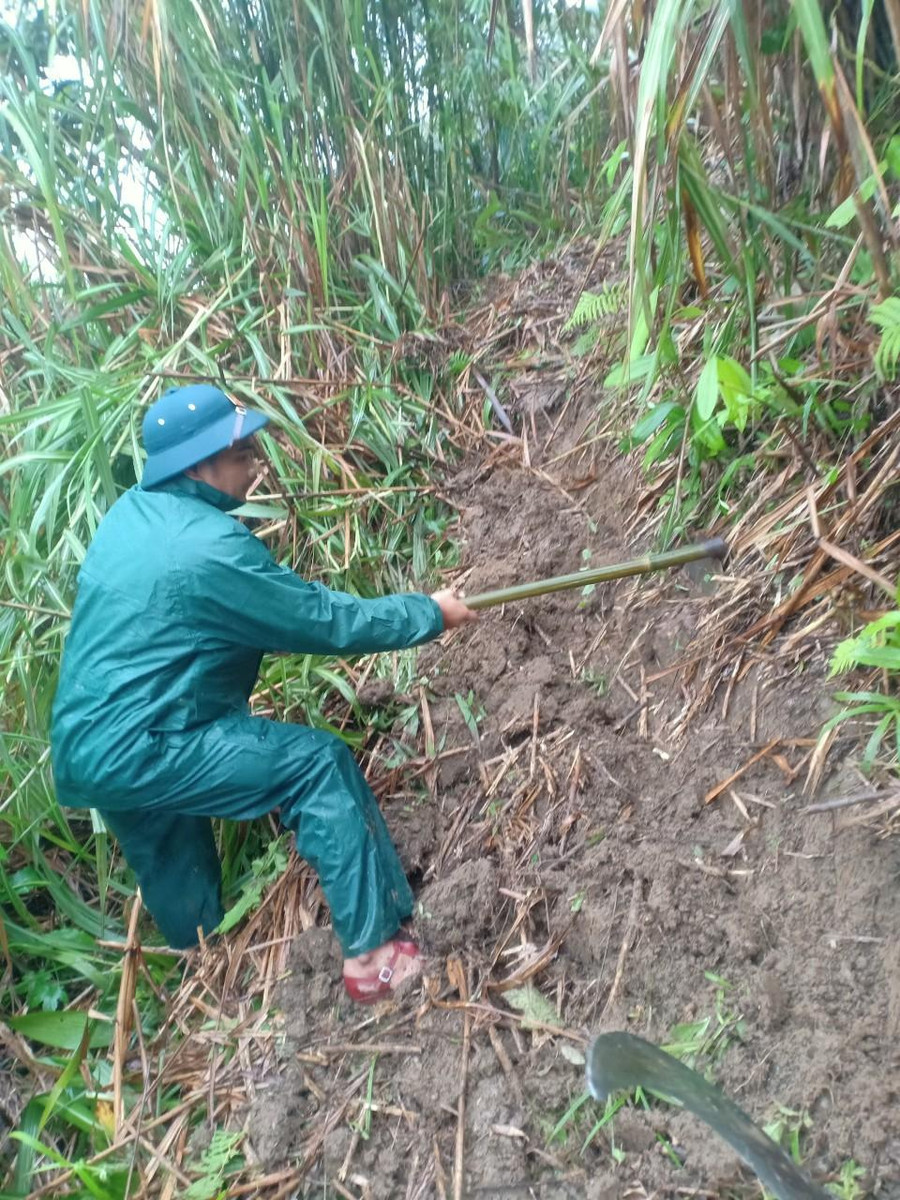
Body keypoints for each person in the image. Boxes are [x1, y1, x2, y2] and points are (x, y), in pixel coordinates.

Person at [51, 384, 475, 1002]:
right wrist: (428, 613)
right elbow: (324, 622)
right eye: (244, 453)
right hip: (151, 740)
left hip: (87, 753)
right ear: (198, 465)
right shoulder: (208, 549)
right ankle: (375, 961)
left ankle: (200, 976)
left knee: (169, 842)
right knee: (317, 765)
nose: (255, 466)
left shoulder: (130, 519)